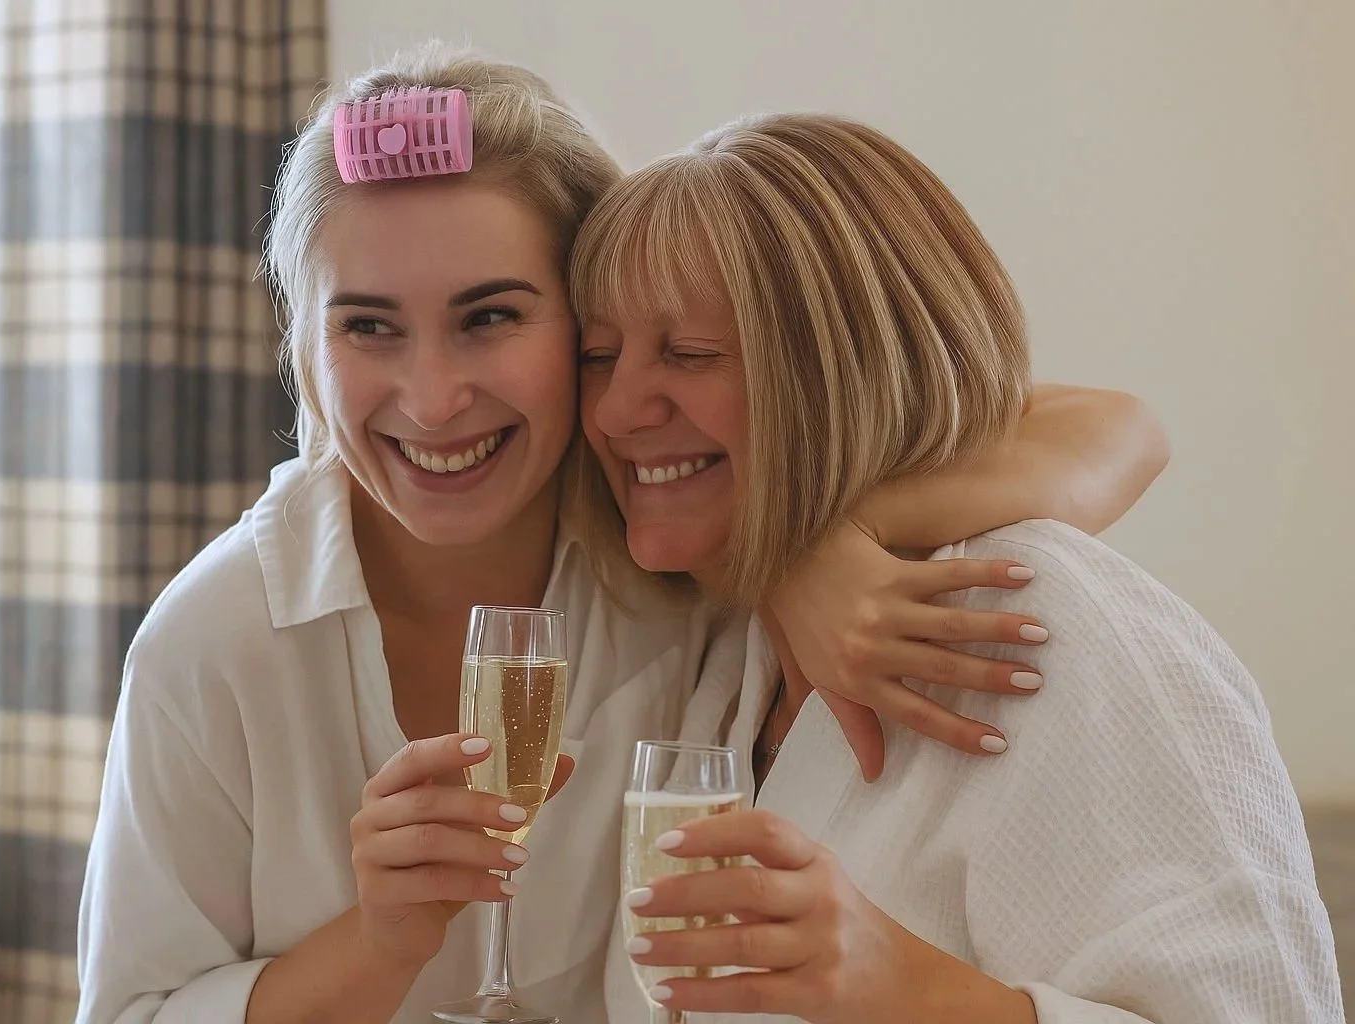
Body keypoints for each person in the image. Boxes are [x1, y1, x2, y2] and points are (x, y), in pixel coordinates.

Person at [74, 47, 1167, 1024]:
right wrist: (379, 941)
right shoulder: (215, 642)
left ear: (583, 317)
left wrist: (821, 543)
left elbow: (1113, 424)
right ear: (305, 349)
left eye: (491, 315)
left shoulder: (678, 556)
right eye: (368, 326)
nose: (434, 396)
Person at [572, 112, 1343, 1022]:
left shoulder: (1049, 625)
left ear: (846, 367)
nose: (617, 411)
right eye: (598, 356)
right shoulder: (730, 666)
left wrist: (904, 989)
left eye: (689, 354)